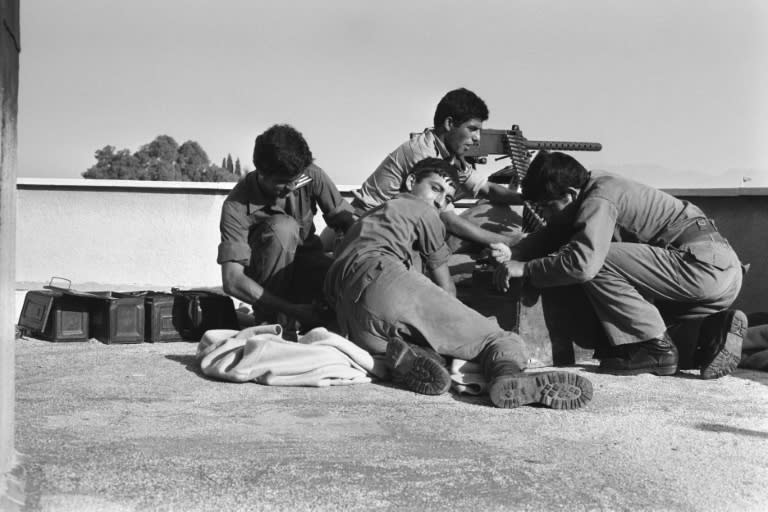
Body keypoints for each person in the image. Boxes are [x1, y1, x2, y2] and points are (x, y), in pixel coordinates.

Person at [325, 157, 593, 409]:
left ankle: (418, 358)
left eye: (448, 198)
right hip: (385, 283)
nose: (440, 202)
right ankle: (508, 374)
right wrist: (463, 318)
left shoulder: (366, 221)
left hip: (354, 320)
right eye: (435, 189)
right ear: (410, 183)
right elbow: (445, 286)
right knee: (495, 338)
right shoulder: (421, 209)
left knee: (431, 338)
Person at [492, 150, 747, 379]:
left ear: (569, 195)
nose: (543, 216)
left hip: (699, 269)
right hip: (722, 276)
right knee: (648, 342)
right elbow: (555, 232)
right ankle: (713, 331)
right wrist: (513, 252)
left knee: (596, 262)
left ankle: (656, 348)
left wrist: (526, 268)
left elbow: (584, 265)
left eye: (545, 208)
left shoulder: (599, 198)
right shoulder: (594, 190)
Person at [218, 124, 356, 329]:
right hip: (269, 291)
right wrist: (291, 310)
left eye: (295, 180)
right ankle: (273, 321)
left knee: (349, 281)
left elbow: (348, 224)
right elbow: (232, 279)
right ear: (261, 173)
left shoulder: (309, 175)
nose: (292, 189)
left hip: (308, 270)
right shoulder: (236, 205)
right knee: (283, 228)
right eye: (283, 183)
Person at [350, 88, 523, 249]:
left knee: (486, 210)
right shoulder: (423, 153)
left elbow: (485, 189)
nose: (477, 138)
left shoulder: (450, 154)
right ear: (449, 123)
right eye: (472, 129)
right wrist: (509, 242)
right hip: (365, 234)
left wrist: (528, 198)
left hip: (393, 228)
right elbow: (448, 220)